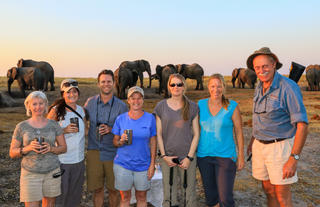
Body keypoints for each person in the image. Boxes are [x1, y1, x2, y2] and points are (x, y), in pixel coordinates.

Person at [246, 47, 308, 207]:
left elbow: (302, 125)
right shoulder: (259, 86)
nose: (261, 70)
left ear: (274, 64)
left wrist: (293, 159)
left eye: (265, 66)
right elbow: (260, 116)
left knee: (282, 195)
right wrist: (254, 140)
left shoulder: (288, 87)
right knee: (268, 190)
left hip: (279, 147)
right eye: (257, 67)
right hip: (260, 146)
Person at [9, 91, 67, 207]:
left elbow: (63, 148)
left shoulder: (54, 125)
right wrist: (27, 148)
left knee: (50, 204)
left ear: (46, 105)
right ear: (28, 106)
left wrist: (51, 148)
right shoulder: (21, 126)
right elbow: (12, 152)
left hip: (52, 172)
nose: (38, 107)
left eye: (41, 103)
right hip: (30, 173)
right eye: (34, 104)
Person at [197, 74, 245, 207]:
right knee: (211, 198)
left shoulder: (232, 106)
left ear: (224, 87)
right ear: (208, 87)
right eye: (213, 86)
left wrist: (241, 156)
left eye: (219, 86)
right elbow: (193, 129)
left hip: (225, 157)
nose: (216, 89)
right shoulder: (200, 104)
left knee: (225, 198)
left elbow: (239, 132)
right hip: (204, 156)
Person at [154, 73, 200, 207]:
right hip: (168, 157)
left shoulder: (192, 106)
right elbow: (159, 133)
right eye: (173, 84)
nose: (176, 87)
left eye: (179, 84)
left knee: (189, 194)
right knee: (169, 194)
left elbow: (197, 134)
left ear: (184, 86)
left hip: (187, 157)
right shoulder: (161, 106)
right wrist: (164, 156)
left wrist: (189, 157)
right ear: (168, 87)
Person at [84, 69, 128, 207]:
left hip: (114, 152)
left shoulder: (122, 106)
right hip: (94, 151)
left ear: (114, 83)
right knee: (97, 189)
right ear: (98, 84)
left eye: (109, 81)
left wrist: (111, 129)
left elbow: (127, 131)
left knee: (114, 190)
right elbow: (81, 121)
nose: (106, 84)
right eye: (103, 81)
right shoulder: (90, 103)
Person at [112, 86, 157, 207]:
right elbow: (115, 142)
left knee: (142, 197)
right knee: (125, 197)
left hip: (143, 165)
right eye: (133, 98)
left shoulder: (150, 118)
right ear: (128, 100)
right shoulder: (120, 119)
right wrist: (120, 141)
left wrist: (152, 164)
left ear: (143, 100)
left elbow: (153, 142)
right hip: (123, 165)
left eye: (139, 98)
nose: (136, 101)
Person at [47, 79, 87, 207]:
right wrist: (63, 130)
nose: (72, 94)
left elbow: (85, 130)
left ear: (78, 93)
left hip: (79, 160)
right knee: (60, 197)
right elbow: (46, 134)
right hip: (61, 161)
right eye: (68, 92)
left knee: (74, 196)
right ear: (63, 94)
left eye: (74, 91)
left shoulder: (81, 110)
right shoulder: (55, 111)